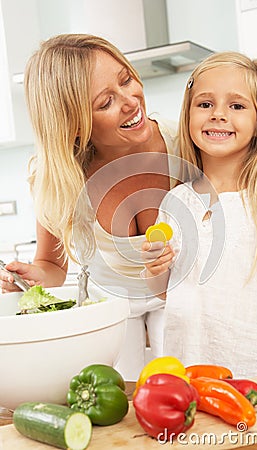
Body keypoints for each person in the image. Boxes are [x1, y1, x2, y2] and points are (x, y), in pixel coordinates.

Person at [0, 34, 182, 380]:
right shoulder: (57, 177)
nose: (130, 101)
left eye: (126, 79)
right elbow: (51, 264)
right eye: (106, 102)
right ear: (74, 123)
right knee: (117, 408)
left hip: (180, 303)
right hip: (109, 313)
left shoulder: (185, 146)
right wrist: (32, 278)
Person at [142, 51, 257, 377]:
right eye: (205, 104)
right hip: (190, 373)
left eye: (237, 106)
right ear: (188, 115)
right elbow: (162, 290)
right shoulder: (175, 201)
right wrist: (155, 267)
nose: (218, 115)